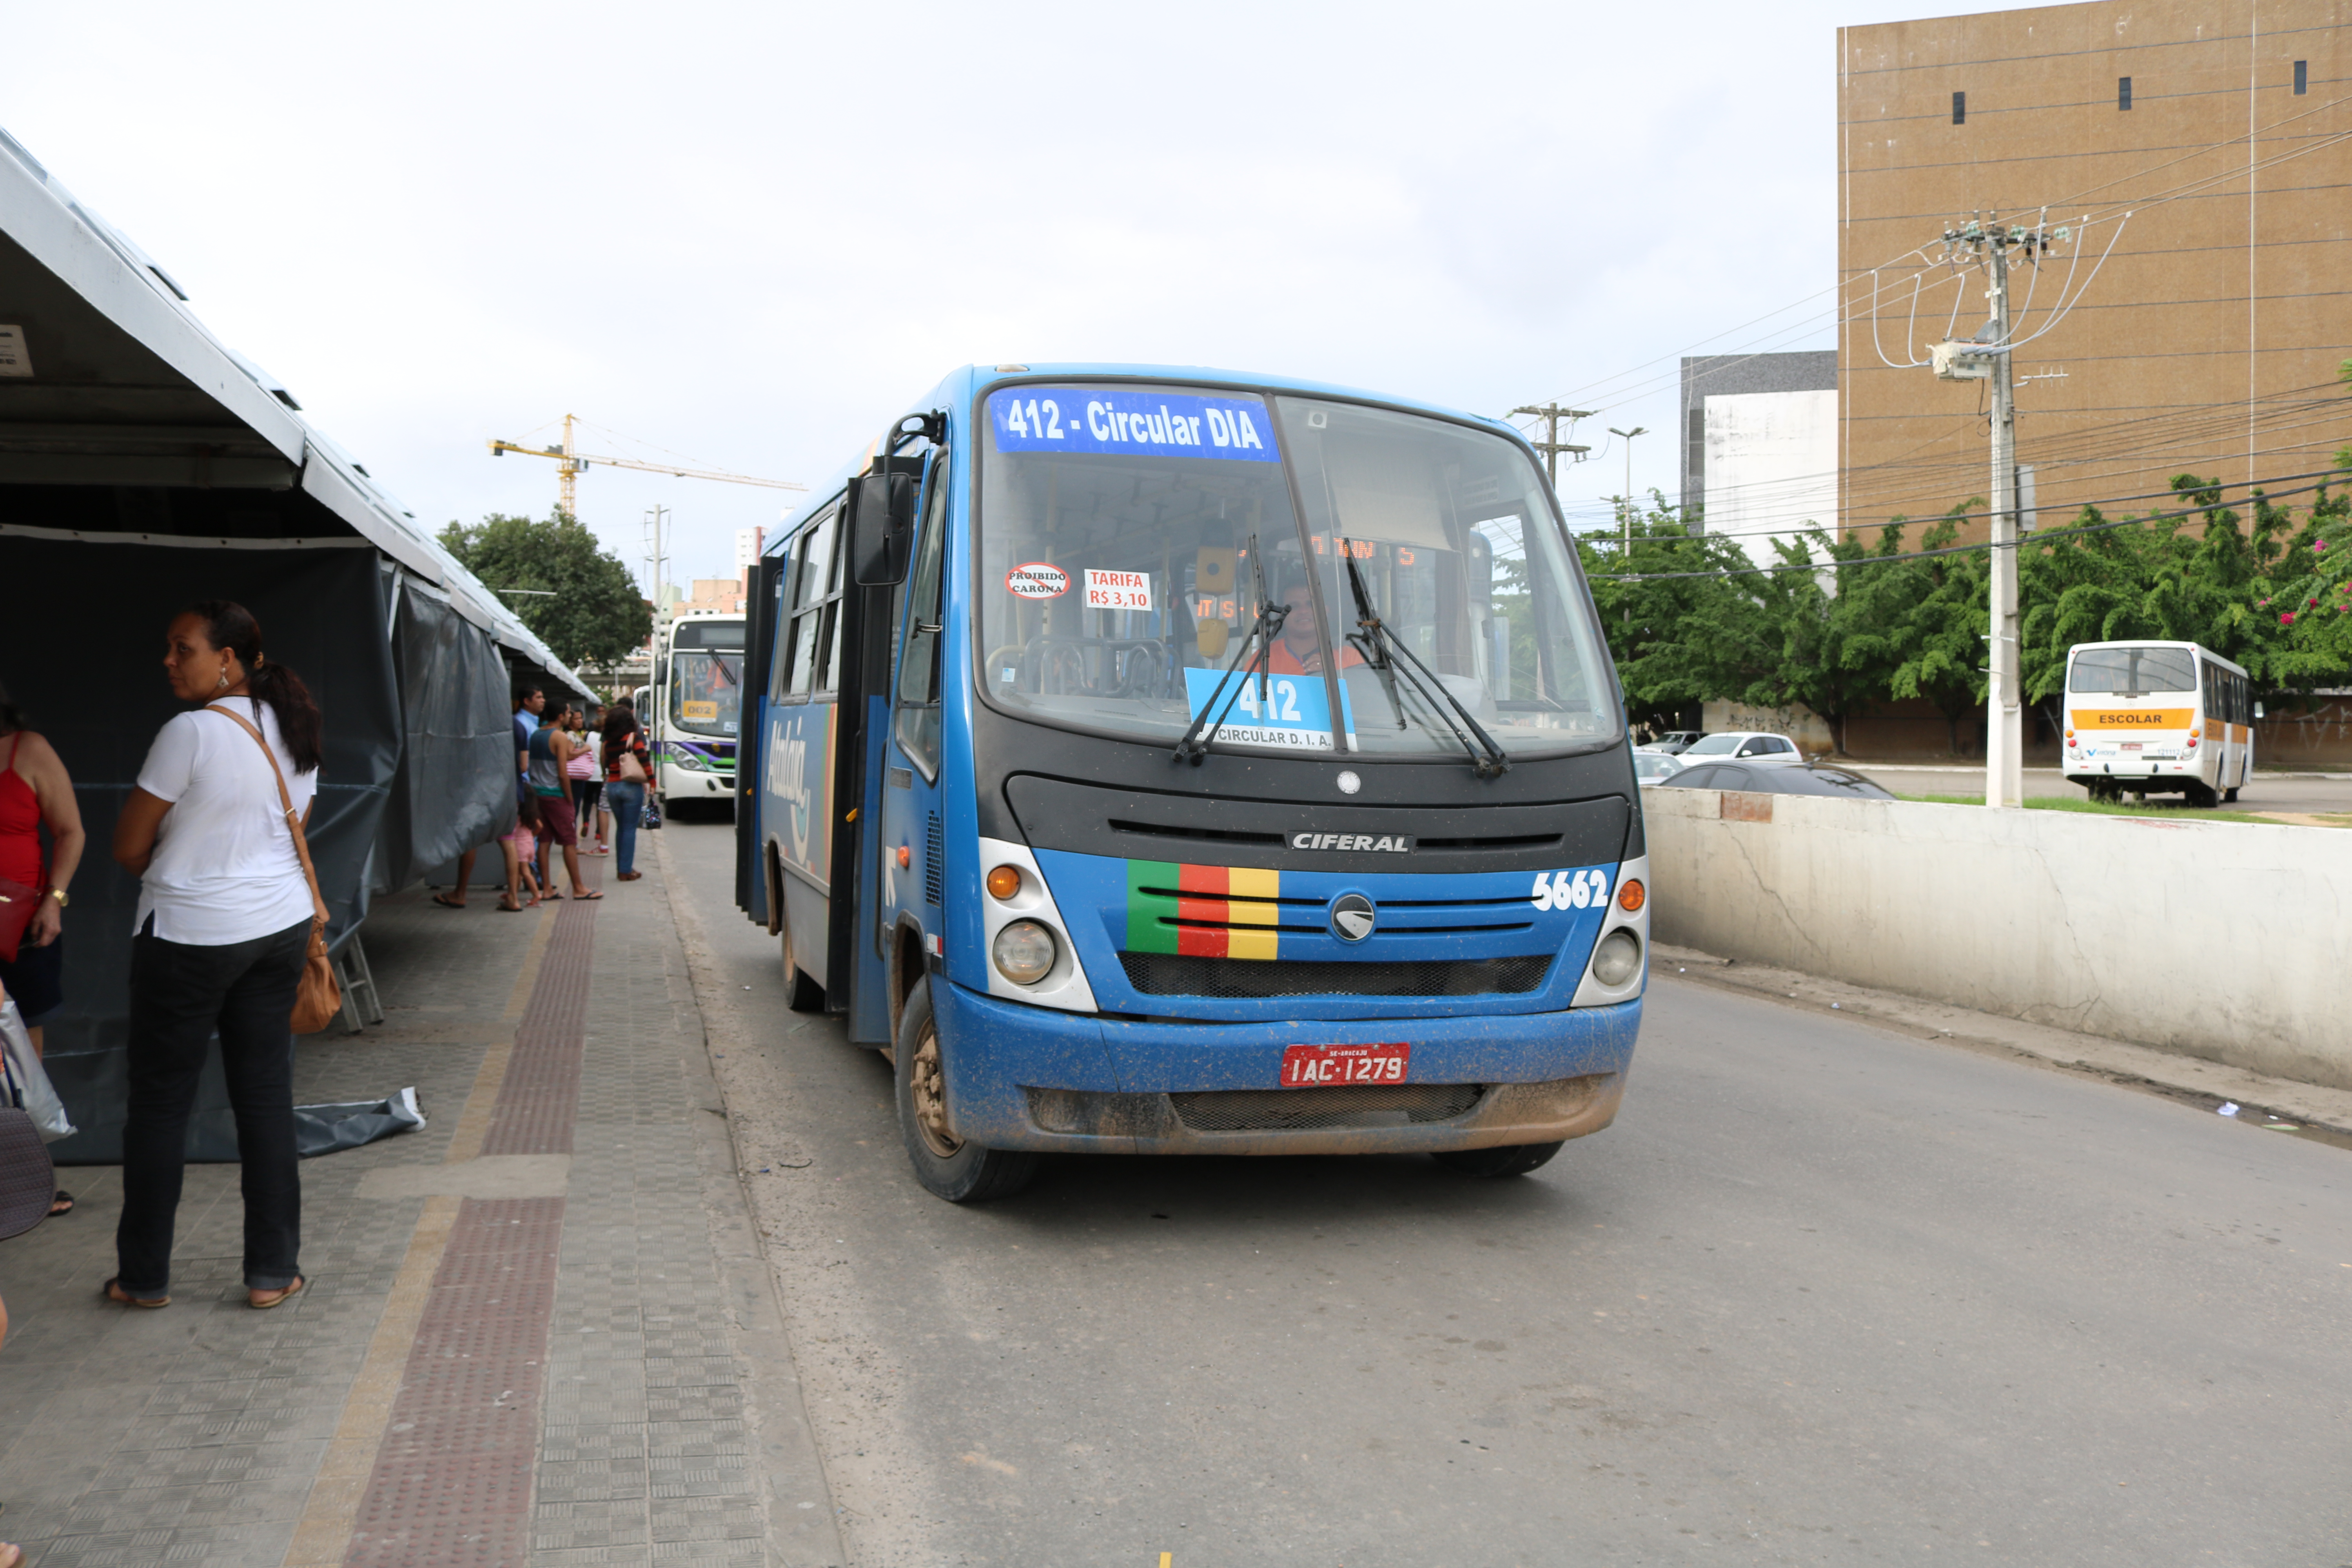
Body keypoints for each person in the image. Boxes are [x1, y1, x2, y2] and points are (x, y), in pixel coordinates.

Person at [108, 601, 320, 1311]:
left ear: (227, 658)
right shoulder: (294, 725)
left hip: (188, 939)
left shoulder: (190, 733)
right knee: (264, 1100)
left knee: (162, 1107)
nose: (168, 662)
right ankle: (271, 1274)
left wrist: (194, 876)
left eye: (181, 649)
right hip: (279, 928)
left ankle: (143, 1280)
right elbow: (287, 834)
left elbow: (129, 846)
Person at [0, 680, 88, 1218]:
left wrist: (54, 901)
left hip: (23, 924)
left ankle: (27, 1176)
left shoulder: (26, 749)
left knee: (22, 1054)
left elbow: (71, 831)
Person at [431, 683, 541, 910]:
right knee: (508, 842)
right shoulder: (518, 727)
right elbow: (523, 766)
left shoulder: (479, 726)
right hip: (511, 793)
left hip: (480, 792)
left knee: (472, 842)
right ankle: (512, 897)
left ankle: (460, 893)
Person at [527, 706, 599, 901]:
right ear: (561, 716)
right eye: (568, 714)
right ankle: (578, 888)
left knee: (544, 840)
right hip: (556, 794)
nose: (570, 716)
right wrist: (569, 798)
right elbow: (562, 772)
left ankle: (548, 888)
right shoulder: (559, 737)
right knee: (569, 841)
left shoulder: (536, 735)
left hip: (538, 794)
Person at [1264, 582, 1365, 676]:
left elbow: (1363, 694)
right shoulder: (1264, 659)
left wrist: (1332, 674)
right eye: (1294, 606)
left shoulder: (1351, 658)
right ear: (1281, 614)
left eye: (1311, 604)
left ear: (1326, 611)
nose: (1303, 611)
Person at [602, 708, 651, 883]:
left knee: (621, 828)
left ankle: (621, 869)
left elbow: (604, 762)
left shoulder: (608, 742)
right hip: (630, 786)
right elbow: (644, 761)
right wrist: (652, 782)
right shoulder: (632, 738)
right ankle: (626, 871)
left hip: (612, 786)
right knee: (630, 829)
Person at [566, 706, 605, 856]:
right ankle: (598, 833)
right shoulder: (572, 736)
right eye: (576, 718)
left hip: (586, 774)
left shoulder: (585, 735)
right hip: (591, 773)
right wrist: (585, 749)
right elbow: (570, 754)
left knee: (587, 802)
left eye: (581, 718)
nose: (580, 721)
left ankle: (586, 822)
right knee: (599, 804)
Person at [500, 794, 543, 909]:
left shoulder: (517, 813)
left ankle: (536, 894)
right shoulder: (531, 814)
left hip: (520, 845)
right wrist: (531, 836)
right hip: (530, 844)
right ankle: (513, 894)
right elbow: (540, 826)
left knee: (525, 872)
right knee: (518, 872)